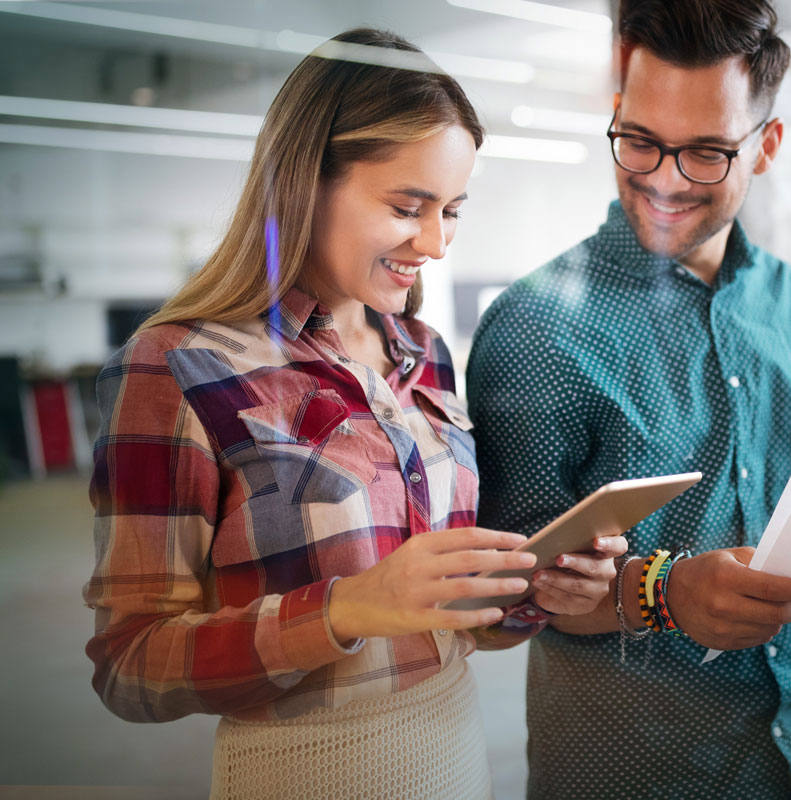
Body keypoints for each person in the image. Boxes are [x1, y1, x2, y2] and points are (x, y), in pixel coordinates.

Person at [466, 2, 791, 798]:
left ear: (768, 145)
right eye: (640, 140)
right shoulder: (534, 329)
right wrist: (664, 593)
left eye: (708, 153)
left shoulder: (789, 304)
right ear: (616, 115)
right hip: (631, 776)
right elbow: (511, 599)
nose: (665, 181)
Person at [82, 28, 625, 800]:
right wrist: (347, 609)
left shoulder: (424, 352)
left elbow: (454, 623)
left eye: (453, 211)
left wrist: (532, 596)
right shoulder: (178, 367)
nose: (436, 244)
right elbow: (131, 667)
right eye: (409, 206)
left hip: (459, 763)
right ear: (306, 183)